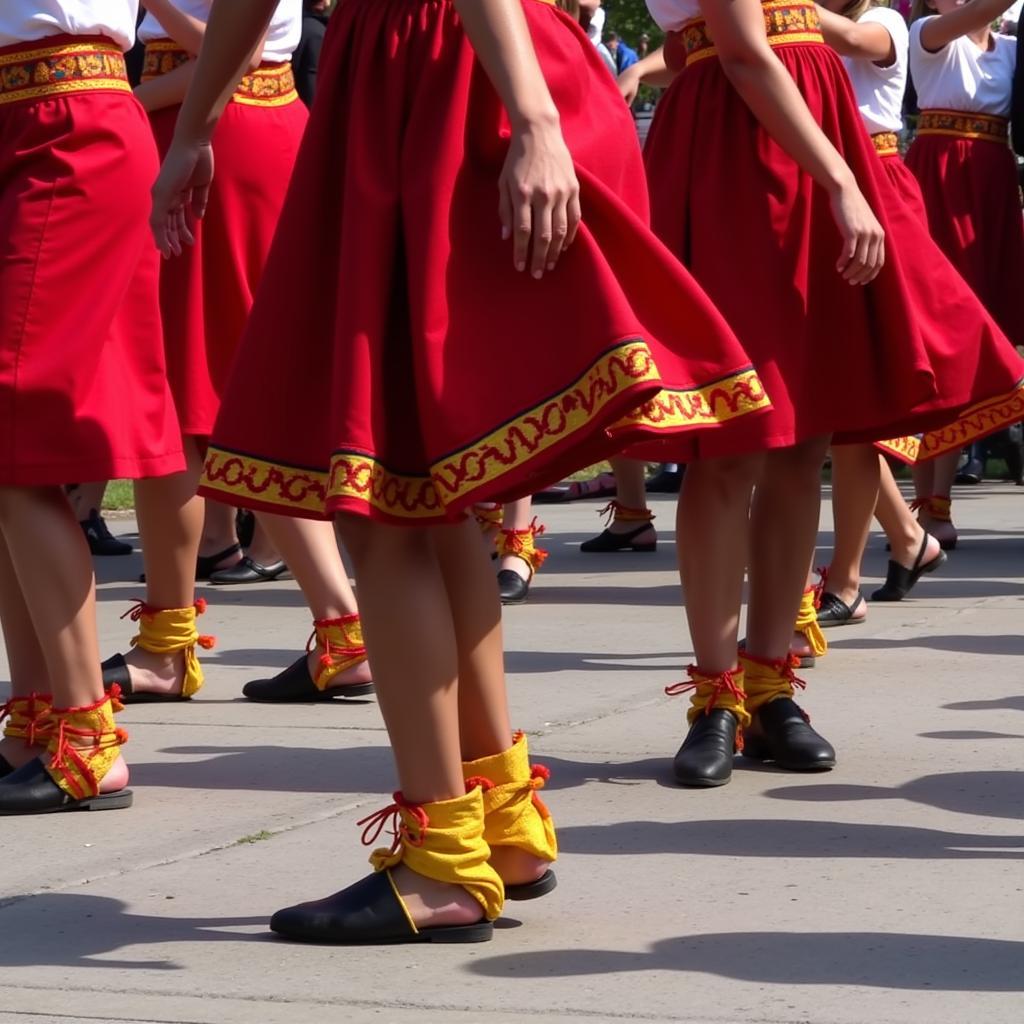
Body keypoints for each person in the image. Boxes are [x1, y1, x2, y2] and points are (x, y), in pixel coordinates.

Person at [154, 0, 768, 942]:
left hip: (435, 76)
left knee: (389, 501)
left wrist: (533, 121)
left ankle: (442, 858)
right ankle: (503, 822)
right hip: (426, 75)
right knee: (430, 493)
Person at [638, 0, 1024, 788]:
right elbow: (744, 50)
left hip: (802, 122)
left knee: (803, 437)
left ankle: (770, 681)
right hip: (747, 133)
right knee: (731, 441)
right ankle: (717, 696)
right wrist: (844, 178)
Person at [0, 0, 184, 812]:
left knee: (16, 434)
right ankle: (35, 718)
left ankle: (83, 733)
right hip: (39, 117)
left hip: (66, 119)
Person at [904, 0, 1024, 551]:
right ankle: (931, 501)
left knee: (978, 339)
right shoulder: (929, 34)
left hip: (993, 188)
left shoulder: (1015, 51)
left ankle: (933, 500)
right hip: (940, 181)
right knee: (944, 335)